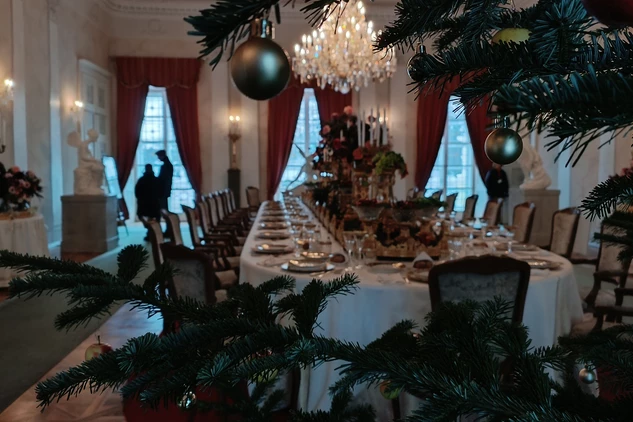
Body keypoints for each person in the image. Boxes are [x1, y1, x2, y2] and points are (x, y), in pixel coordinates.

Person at [135, 164, 161, 240]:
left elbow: (137, 192)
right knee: (155, 217)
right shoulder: (156, 180)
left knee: (142, 216)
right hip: (155, 204)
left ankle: (149, 228)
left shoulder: (141, 180)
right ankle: (153, 230)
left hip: (143, 204)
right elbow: (160, 192)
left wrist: (140, 200)